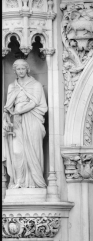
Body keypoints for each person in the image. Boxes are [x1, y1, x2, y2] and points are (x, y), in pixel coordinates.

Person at [3, 59, 47, 189]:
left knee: (33, 150)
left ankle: (34, 182)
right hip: (16, 122)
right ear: (15, 71)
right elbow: (7, 107)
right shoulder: (12, 86)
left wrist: (19, 111)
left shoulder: (36, 85)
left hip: (32, 119)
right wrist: (7, 117)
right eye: (18, 69)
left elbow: (35, 103)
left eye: (23, 68)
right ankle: (19, 181)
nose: (21, 71)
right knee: (17, 152)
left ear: (27, 69)